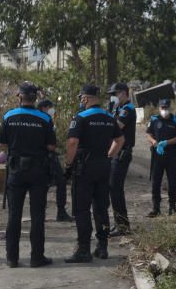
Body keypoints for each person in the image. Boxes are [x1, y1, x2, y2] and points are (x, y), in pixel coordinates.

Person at [0, 82, 56, 268]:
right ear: (35, 98)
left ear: (19, 97)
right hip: (38, 171)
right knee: (37, 216)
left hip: (16, 171)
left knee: (14, 215)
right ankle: (37, 257)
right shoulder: (45, 119)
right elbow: (51, 147)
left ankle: (11, 258)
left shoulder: (8, 116)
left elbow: (3, 145)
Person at [64, 85, 124, 263]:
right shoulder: (109, 117)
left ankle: (83, 249)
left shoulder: (80, 117)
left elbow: (73, 142)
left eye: (81, 98)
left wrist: (68, 164)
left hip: (85, 168)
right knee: (101, 207)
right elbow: (120, 139)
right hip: (104, 167)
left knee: (82, 209)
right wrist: (109, 156)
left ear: (84, 98)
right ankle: (102, 246)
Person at [107, 82, 136, 234]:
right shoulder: (119, 108)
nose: (113, 97)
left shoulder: (127, 110)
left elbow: (116, 127)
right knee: (113, 189)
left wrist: (110, 112)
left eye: (115, 93)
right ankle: (119, 223)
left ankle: (123, 226)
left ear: (124, 93)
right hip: (117, 151)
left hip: (123, 152)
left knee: (115, 188)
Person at [146, 98, 176, 217]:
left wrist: (166, 143)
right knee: (156, 181)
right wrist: (154, 142)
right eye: (162, 108)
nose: (164, 110)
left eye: (166, 108)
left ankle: (172, 207)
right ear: (159, 108)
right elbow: (149, 134)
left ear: (169, 108)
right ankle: (156, 208)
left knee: (172, 181)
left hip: (171, 154)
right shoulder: (154, 119)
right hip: (157, 154)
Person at [38, 99, 72, 222]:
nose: (52, 110)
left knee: (43, 185)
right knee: (60, 182)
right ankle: (61, 212)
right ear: (44, 107)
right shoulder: (46, 119)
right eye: (50, 107)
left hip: (38, 157)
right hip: (48, 157)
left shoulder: (37, 118)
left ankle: (40, 213)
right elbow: (51, 143)